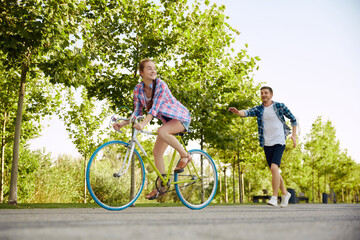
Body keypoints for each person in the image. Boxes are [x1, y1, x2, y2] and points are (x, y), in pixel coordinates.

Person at [113, 59, 192, 200]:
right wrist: (123, 123)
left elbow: (155, 108)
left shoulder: (161, 85)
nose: (153, 71)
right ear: (141, 73)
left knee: (161, 131)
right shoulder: (138, 89)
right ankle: (161, 187)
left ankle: (185, 155)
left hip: (181, 117)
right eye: (149, 68)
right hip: (168, 122)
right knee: (157, 153)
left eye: (154, 68)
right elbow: (137, 111)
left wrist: (143, 124)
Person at [228, 86, 297, 207]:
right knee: (274, 170)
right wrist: (238, 112)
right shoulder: (259, 109)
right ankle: (285, 193)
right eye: (261, 93)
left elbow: (293, 119)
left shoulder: (279, 106)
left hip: (279, 141)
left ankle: (275, 197)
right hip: (267, 143)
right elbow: (247, 112)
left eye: (266, 93)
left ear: (271, 95)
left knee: (274, 168)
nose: (263, 95)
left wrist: (294, 135)